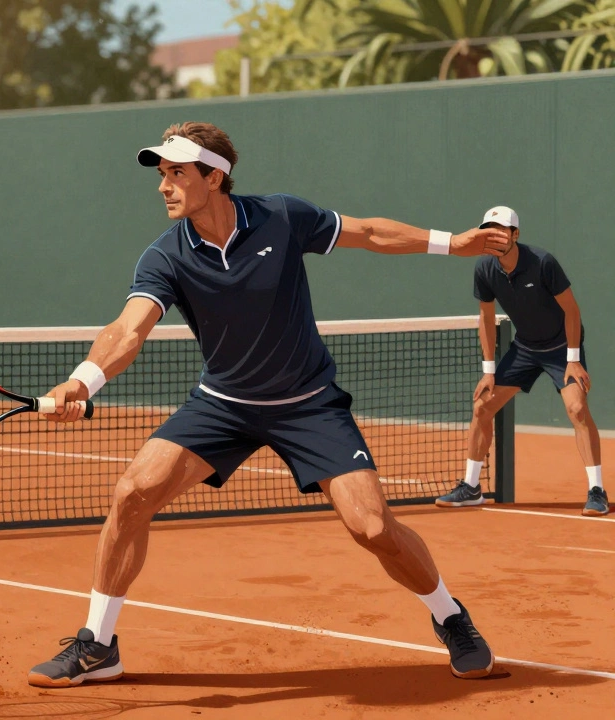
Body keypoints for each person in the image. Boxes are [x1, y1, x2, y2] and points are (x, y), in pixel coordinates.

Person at [26, 122, 510, 687]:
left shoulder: (280, 217)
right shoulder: (165, 257)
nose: (165, 186)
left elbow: (370, 233)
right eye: (162, 175)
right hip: (223, 406)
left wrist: (452, 242)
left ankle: (451, 618)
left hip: (308, 404)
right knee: (133, 492)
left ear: (215, 177)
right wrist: (83, 381)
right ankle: (98, 644)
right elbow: (128, 330)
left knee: (374, 528)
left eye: (178, 173)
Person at [436, 207, 605, 516]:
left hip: (560, 348)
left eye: (502, 229)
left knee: (577, 408)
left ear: (515, 234)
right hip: (524, 349)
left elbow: (572, 310)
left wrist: (573, 359)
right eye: (489, 229)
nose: (495, 235)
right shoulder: (484, 269)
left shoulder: (543, 263)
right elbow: (486, 317)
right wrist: (488, 371)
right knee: (482, 407)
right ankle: (471, 488)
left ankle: (597, 491)